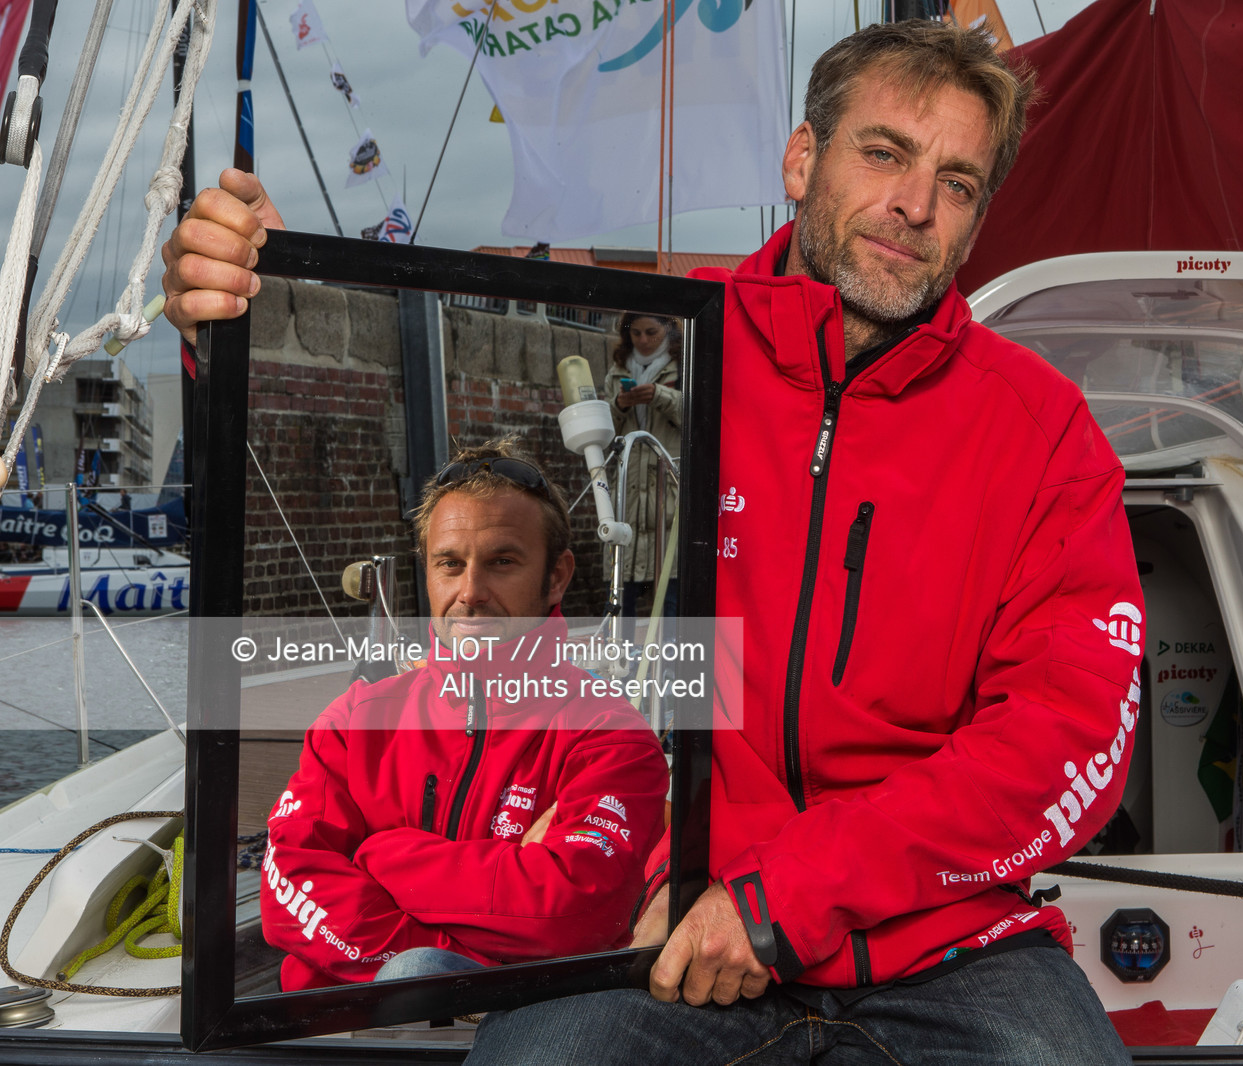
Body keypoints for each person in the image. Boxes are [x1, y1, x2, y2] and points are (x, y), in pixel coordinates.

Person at [161, 20, 1142, 1063]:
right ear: (802, 160)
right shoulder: (670, 342)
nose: (913, 204)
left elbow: (1065, 735)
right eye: (885, 152)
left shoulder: (1042, 432)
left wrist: (786, 894)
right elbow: (487, 472)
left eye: (957, 181)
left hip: (950, 944)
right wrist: (250, 310)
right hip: (666, 927)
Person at [259, 438, 669, 990]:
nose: (470, 593)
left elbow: (572, 914)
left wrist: (382, 854)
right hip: (334, 1029)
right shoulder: (357, 720)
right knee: (419, 968)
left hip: (514, 1034)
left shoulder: (609, 738)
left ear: (557, 576)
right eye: (450, 565)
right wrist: (450, 959)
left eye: (502, 563)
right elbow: (287, 883)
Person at [604, 312, 681, 618]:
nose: (644, 340)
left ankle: (673, 662)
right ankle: (620, 657)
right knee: (622, 586)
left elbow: (699, 415)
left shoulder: (685, 363)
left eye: (652, 332)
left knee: (671, 588)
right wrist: (620, 404)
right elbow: (605, 431)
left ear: (667, 330)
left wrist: (659, 396)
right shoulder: (618, 368)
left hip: (667, 487)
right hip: (629, 486)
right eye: (636, 333)